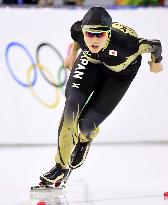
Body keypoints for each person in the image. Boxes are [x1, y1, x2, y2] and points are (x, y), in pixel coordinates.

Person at [35, 6, 163, 188]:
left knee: (85, 125)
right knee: (71, 106)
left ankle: (86, 138)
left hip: (121, 73)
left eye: (100, 35)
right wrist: (71, 55)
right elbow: (76, 37)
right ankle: (60, 167)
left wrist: (156, 63)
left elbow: (155, 45)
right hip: (91, 63)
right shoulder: (79, 31)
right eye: (90, 34)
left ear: (109, 33)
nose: (94, 40)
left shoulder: (127, 43)